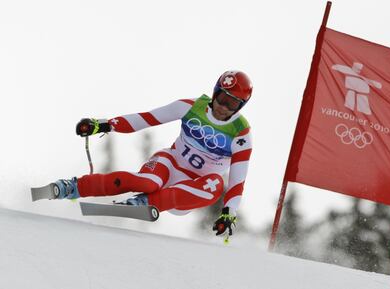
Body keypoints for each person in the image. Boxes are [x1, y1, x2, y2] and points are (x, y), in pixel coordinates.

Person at [54, 70, 253, 237]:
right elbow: (147, 118)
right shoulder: (192, 106)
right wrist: (103, 125)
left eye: (232, 104)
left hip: (193, 188)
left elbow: (238, 180)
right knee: (147, 182)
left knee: (217, 184)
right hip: (170, 163)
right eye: (222, 98)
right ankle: (73, 187)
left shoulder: (240, 132)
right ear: (215, 92)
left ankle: (145, 203)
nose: (223, 107)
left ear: (240, 106)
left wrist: (229, 213)